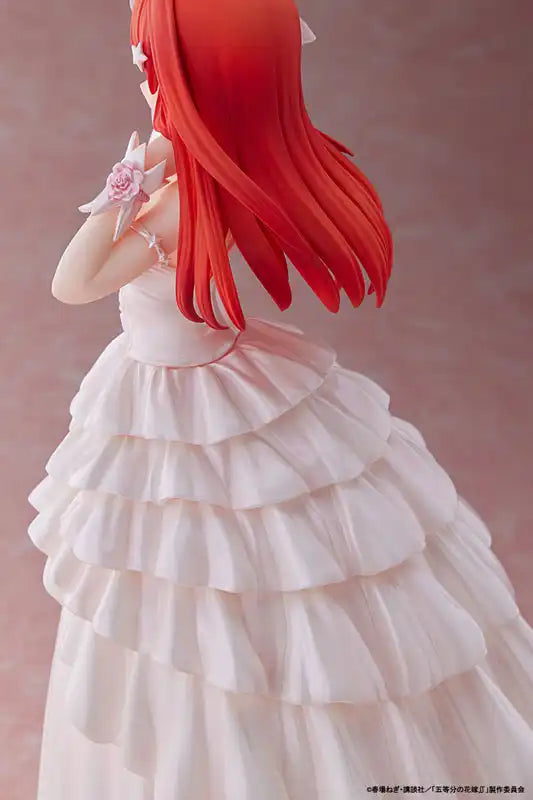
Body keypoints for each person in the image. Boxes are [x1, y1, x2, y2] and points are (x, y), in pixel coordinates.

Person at [28, 0, 533, 797]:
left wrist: (125, 180)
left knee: (193, 582)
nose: (144, 79)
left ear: (200, 81)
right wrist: (162, 150)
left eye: (153, 67)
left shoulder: (183, 200)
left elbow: (73, 281)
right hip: (212, 372)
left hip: (180, 400)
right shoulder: (228, 171)